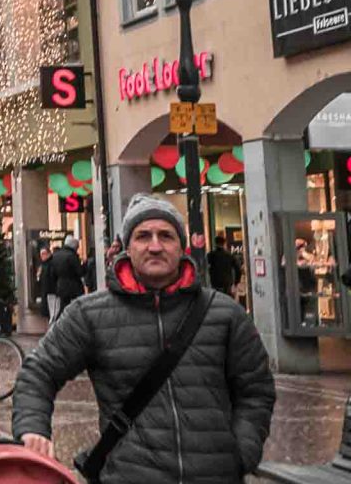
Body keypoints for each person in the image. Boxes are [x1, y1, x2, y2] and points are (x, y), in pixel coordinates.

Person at [14, 196, 275, 484]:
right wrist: (33, 429)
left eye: (166, 236)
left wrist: (241, 452)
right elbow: (39, 371)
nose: (154, 246)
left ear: (181, 246)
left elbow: (256, 389)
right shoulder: (89, 314)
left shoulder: (224, 313)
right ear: (128, 247)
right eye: (143, 236)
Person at [42, 234, 86, 320]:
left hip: (61, 286)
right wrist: (85, 265)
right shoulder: (72, 256)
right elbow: (80, 272)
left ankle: (60, 324)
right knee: (78, 307)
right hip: (74, 287)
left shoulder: (55, 256)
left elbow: (52, 273)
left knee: (63, 308)